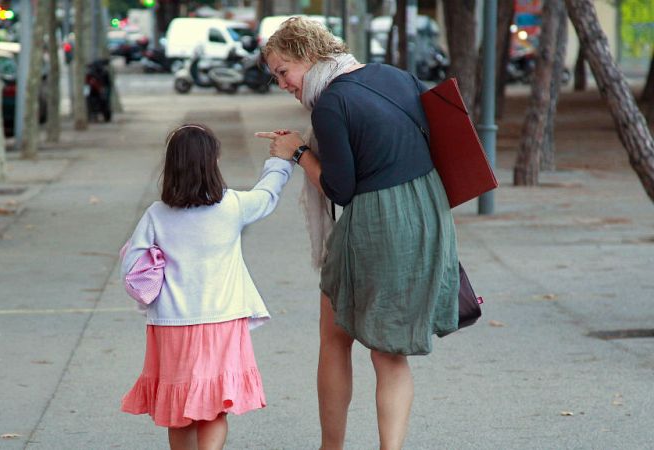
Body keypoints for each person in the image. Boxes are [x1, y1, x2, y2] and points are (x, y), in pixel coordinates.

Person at [255, 17, 459, 450]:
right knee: (390, 352)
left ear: (308, 56)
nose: (283, 84)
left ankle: (332, 448)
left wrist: (297, 151)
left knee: (334, 337)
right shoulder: (393, 75)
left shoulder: (330, 105)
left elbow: (339, 188)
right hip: (427, 211)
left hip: (377, 222)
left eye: (283, 72)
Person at [120, 123, 293, 450]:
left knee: (177, 408)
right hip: (222, 322)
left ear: (171, 167)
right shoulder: (232, 206)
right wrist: (281, 161)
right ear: (212, 163)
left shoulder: (156, 215)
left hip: (171, 324)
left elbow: (133, 266)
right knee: (214, 406)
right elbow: (268, 194)